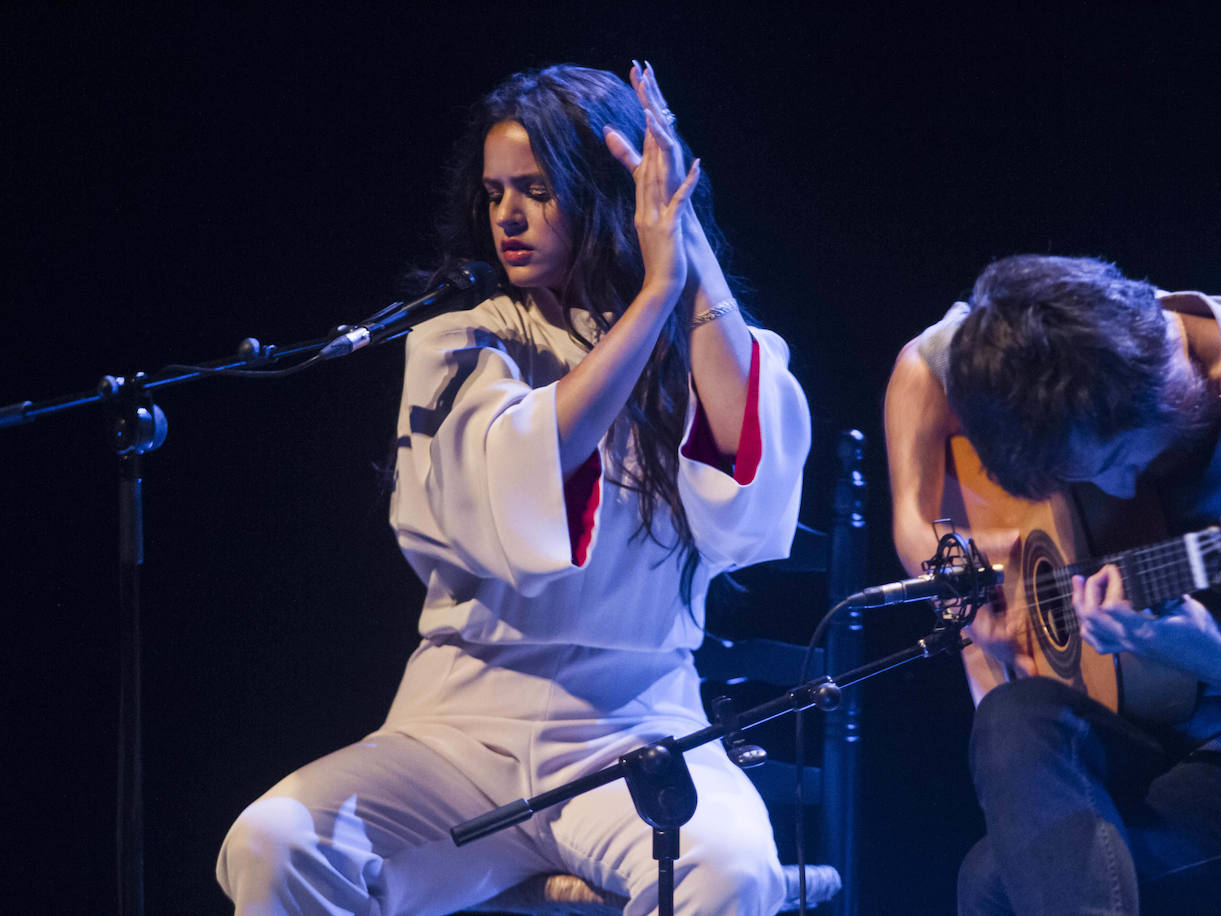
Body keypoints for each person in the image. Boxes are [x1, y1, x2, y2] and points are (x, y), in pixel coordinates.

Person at [216, 62, 809, 915]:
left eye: (536, 189)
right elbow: (520, 478)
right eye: (495, 193)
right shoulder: (464, 343)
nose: (509, 217)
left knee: (731, 872)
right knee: (275, 843)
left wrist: (680, 242)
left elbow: (751, 499)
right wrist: (655, 298)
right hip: (459, 732)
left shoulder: (696, 349)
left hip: (637, 726)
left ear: (607, 193)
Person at [884, 254, 1221, 915]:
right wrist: (919, 534)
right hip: (1177, 728)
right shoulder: (1049, 351)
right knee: (1011, 714)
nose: (1117, 490)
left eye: (1118, 462)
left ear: (1164, 378)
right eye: (1087, 479)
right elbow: (920, 362)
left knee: (994, 884)